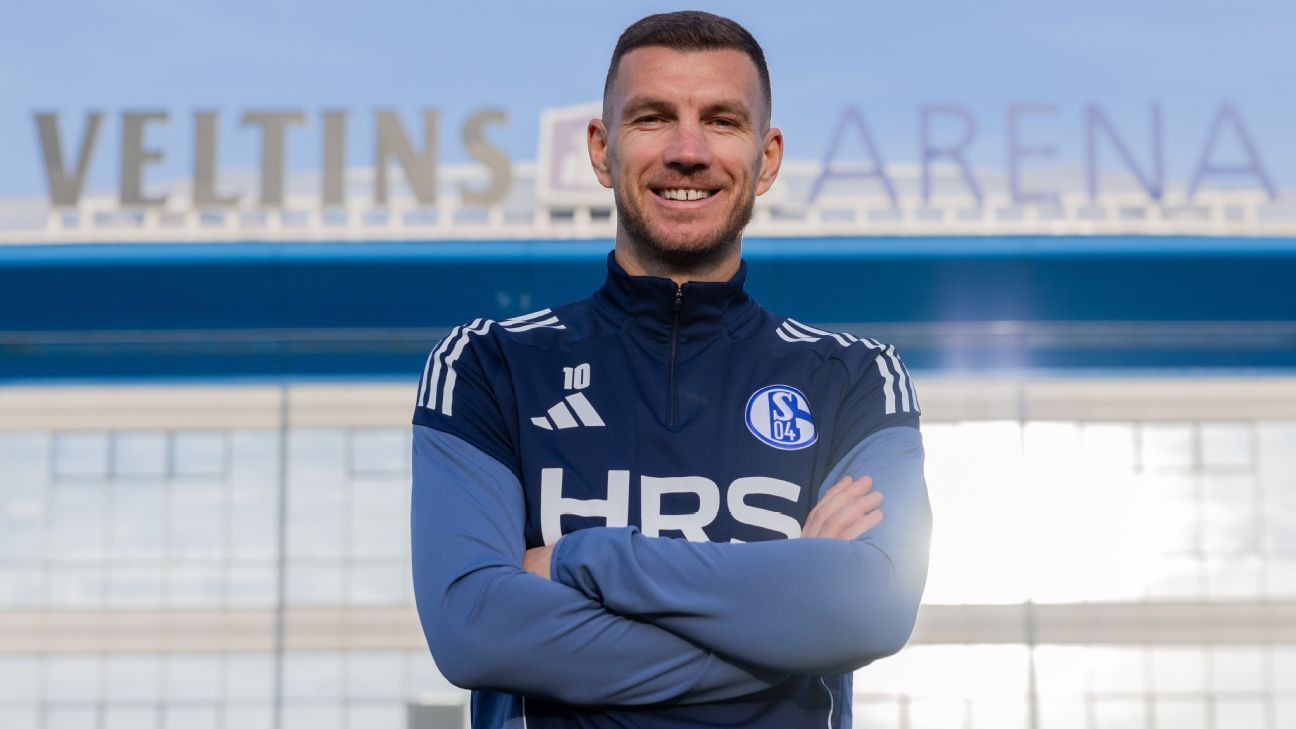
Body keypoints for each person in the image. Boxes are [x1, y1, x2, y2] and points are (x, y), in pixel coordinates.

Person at [411, 10, 931, 729]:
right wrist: (786, 628)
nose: (688, 151)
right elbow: (473, 626)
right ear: (602, 151)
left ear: (767, 159)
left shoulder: (854, 377)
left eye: (722, 121)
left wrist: (581, 560)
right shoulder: (488, 364)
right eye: (653, 117)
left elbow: (873, 606)